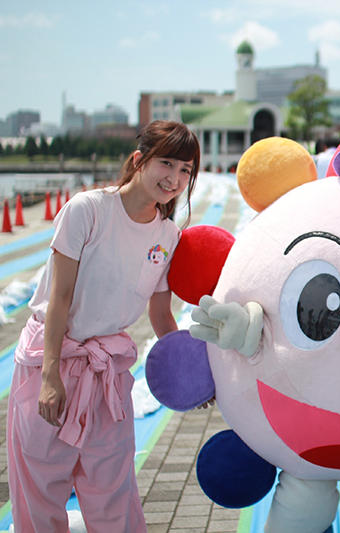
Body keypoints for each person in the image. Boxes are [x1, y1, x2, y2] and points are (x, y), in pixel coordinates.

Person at [6, 120, 200, 532]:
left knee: (112, 489)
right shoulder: (87, 209)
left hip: (106, 373)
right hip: (51, 359)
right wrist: (50, 377)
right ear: (139, 159)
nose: (176, 178)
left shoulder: (168, 235)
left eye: (186, 170)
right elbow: (60, 297)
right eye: (167, 163)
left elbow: (161, 315)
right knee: (40, 489)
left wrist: (191, 378)